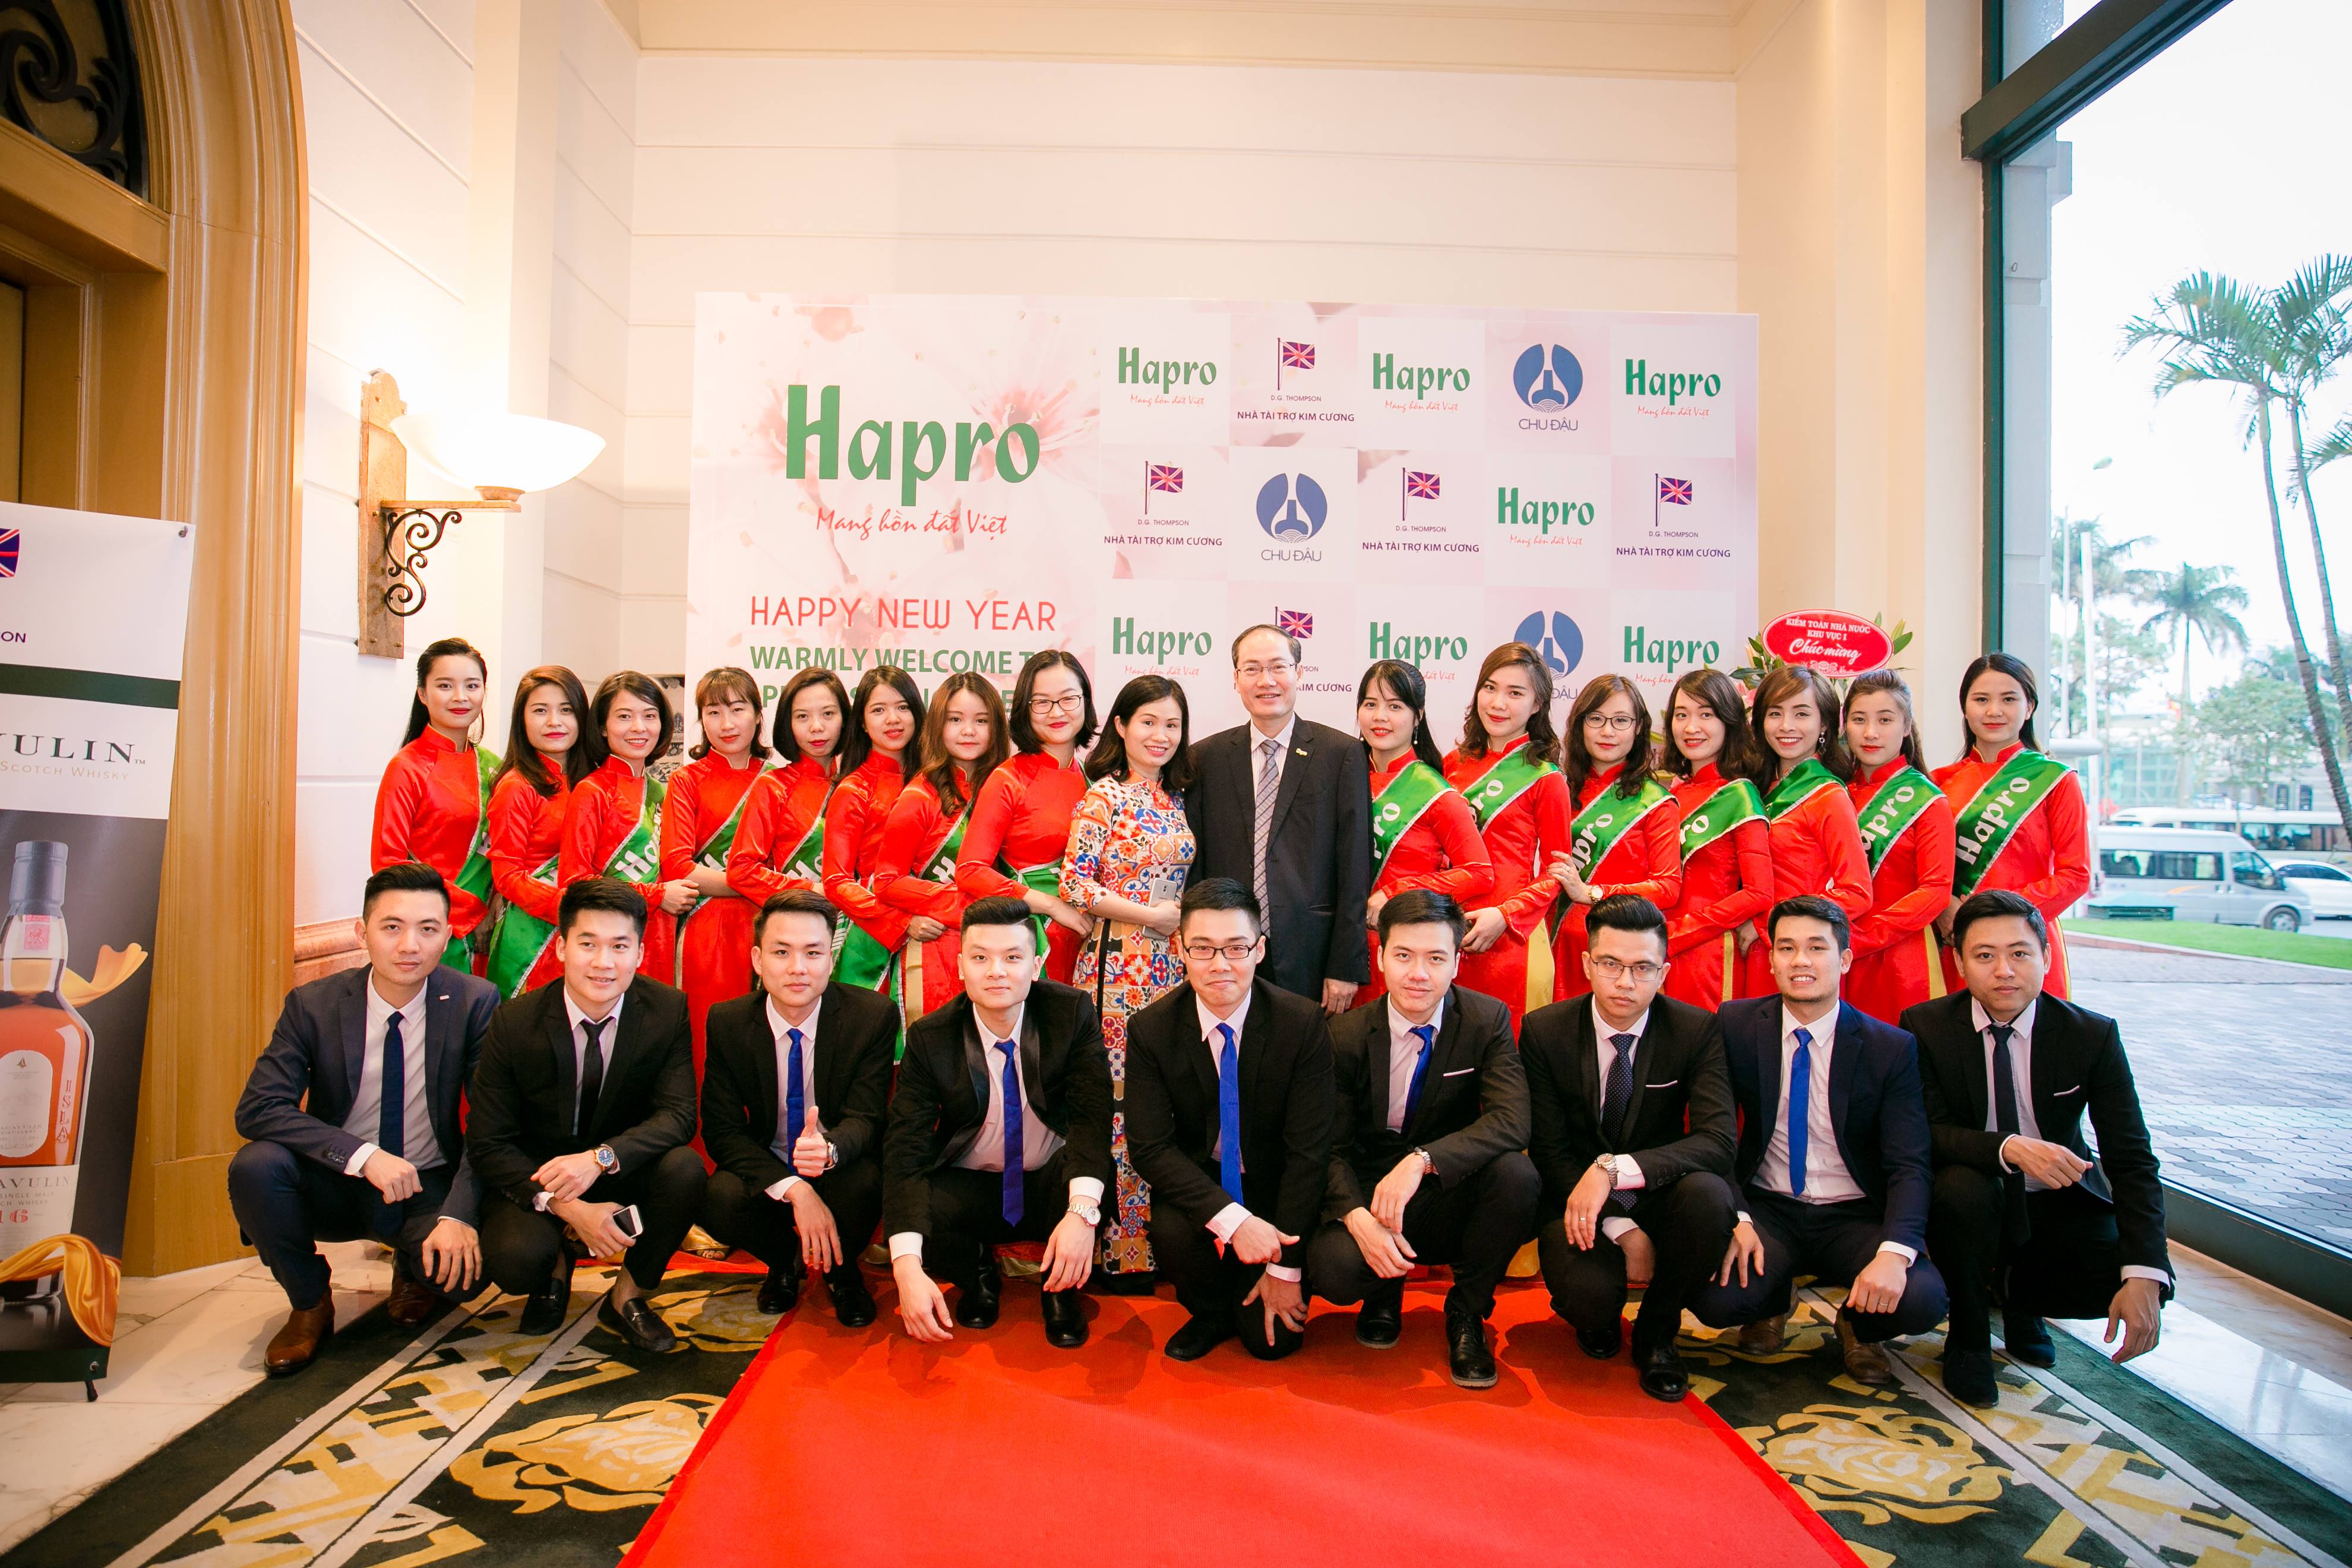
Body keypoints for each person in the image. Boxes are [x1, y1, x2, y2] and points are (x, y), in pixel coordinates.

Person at [229, 864, 500, 1375]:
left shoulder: (474, 1001)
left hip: (425, 1180)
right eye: (392, 927)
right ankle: (310, 1302)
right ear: (362, 932)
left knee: (466, 1277)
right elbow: (259, 1107)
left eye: (427, 929)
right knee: (256, 1167)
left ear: (447, 936)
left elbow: (492, 1121)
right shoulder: (314, 1004)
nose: (409, 946)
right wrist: (362, 1155)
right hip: (336, 1179)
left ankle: (413, 1268)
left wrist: (459, 1216)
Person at [1907, 889, 2170, 1407]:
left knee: (2114, 1273)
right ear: (1959, 963)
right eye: (1985, 955)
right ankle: (1969, 1333)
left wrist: (2145, 1272)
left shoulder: (2091, 1035)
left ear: (2047, 958)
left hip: (2055, 1194)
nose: (2004, 971)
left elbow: (2132, 1158)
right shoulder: (1925, 1026)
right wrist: (2008, 1148)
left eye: (2020, 953)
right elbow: (1925, 1131)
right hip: (1971, 1191)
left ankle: (2021, 1301)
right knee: (1962, 1190)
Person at [1687, 895, 1948, 1386]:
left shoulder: (1889, 1047)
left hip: (1854, 1214)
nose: (1800, 961)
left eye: (1816, 948)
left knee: (1920, 1299)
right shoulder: (1736, 1025)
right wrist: (1738, 1216)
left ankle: (1858, 1326)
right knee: (1714, 1300)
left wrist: (1895, 1253)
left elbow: (1909, 1164)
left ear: (1844, 959)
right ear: (1771, 960)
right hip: (1769, 1208)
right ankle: (1772, 1300)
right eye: (1786, 948)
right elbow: (1713, 1133)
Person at [465, 877, 709, 1353]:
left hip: (617, 1167)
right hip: (542, 1176)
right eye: (588, 944)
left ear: (640, 953)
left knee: (685, 1169)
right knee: (516, 1262)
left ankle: (626, 1297)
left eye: (620, 946)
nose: (603, 963)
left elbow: (679, 1115)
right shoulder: (514, 1022)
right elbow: (488, 1142)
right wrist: (568, 1206)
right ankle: (556, 1263)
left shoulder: (666, 1010)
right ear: (562, 948)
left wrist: (600, 1159)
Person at [1306, 890, 1535, 1389]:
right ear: (1381, 958)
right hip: (1370, 1189)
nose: (1418, 974)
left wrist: (1423, 1161)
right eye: (1404, 955)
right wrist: (1357, 1217)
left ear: (1457, 962)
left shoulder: (1486, 1020)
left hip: (1442, 1187)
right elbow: (1328, 1147)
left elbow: (1512, 1119)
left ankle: (1467, 1313)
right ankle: (1381, 1294)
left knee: (1517, 1177)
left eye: (1435, 958)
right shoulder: (1344, 1035)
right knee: (1335, 1271)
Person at [1522, 894, 1737, 1403]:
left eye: (1642, 968)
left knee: (1709, 1196)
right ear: (1586, 964)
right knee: (1590, 1299)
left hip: (1658, 1189)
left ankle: (1658, 1331)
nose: (1625, 982)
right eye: (1610, 964)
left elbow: (1717, 1140)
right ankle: (1597, 1318)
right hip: (1575, 1196)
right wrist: (1623, 1228)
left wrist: (1615, 1170)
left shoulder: (1695, 1030)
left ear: (1664, 973)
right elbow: (1548, 1149)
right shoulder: (1545, 1030)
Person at [882, 896, 1113, 1349]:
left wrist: (1082, 1214)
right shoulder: (931, 1037)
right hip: (974, 1184)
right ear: (961, 966)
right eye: (980, 958)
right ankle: (978, 1276)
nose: (996, 972)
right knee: (917, 1204)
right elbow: (905, 1146)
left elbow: (1092, 1118)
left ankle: (1060, 1292)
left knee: (1092, 1186)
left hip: (1048, 1179)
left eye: (1012, 958)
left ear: (1036, 965)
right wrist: (906, 1266)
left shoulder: (1070, 1013)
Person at [1124, 879, 1336, 1363]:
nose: (1220, 964)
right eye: (1203, 948)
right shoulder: (1152, 1029)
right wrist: (1235, 1222)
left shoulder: (1301, 1024)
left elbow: (1310, 1153)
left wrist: (1285, 1269)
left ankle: (1260, 1289)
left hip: (1277, 1191)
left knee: (1271, 1346)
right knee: (1170, 1228)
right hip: (1204, 1190)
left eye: (1236, 948)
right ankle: (1210, 1312)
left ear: (1259, 950)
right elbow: (1151, 1149)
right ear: (1180, 951)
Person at [698, 890, 895, 1326]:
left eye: (813, 953)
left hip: (836, 1164)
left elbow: (867, 1118)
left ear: (831, 959)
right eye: (782, 952)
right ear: (758, 958)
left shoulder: (871, 1016)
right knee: (717, 1197)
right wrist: (795, 1189)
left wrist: (830, 1149)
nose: (798, 968)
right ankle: (785, 1262)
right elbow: (722, 1130)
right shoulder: (728, 1021)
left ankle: (842, 1272)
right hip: (769, 1167)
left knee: (868, 1183)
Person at [1061, 675, 1200, 1286]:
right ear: (1120, 726)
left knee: (1161, 1101)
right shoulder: (1103, 798)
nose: (1160, 735)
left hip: (1171, 967)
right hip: (1117, 965)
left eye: (1172, 724)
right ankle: (1120, 1248)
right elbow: (1074, 884)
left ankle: (1167, 1240)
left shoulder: (1176, 799)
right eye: (1148, 722)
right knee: (1118, 1102)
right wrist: (1151, 916)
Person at [1183, 624, 1372, 1014]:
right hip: (1226, 955)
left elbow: (1355, 866)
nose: (1266, 681)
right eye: (1252, 669)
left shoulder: (1341, 754)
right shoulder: (1206, 758)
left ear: (1299, 672)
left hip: (1311, 954)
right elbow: (1197, 869)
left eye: (1278, 667)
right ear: (1236, 679)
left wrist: (1345, 964)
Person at [1931, 653, 2090, 999]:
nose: (1994, 711)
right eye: (1981, 700)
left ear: (2029, 707)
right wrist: (1944, 908)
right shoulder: (1937, 783)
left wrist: (1999, 917)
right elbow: (1924, 869)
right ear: (1965, 707)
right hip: (1956, 940)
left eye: (2009, 699)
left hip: (2025, 942)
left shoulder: (2055, 781)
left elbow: (2075, 875)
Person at [1443, 642, 1573, 1026]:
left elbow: (1557, 872)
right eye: (1490, 688)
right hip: (1445, 932)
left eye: (1515, 693)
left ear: (1537, 704)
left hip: (1510, 940)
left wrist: (1505, 915)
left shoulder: (1547, 779)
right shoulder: (1451, 766)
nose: (1498, 703)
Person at [872, 671, 1010, 1024]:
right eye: (955, 720)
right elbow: (887, 881)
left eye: (981, 721)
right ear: (937, 725)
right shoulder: (919, 796)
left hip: (1001, 947)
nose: (969, 731)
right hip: (937, 945)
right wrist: (965, 905)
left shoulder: (1006, 788)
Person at [1354, 659, 1493, 1005]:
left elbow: (1480, 873)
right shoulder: (1345, 776)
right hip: (1346, 947)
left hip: (1405, 950)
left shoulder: (1436, 794)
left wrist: (1397, 892)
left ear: (1418, 716)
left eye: (1395, 706)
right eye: (1370, 704)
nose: (1380, 717)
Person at [956, 651, 1098, 985]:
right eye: (1042, 702)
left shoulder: (1094, 780)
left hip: (1089, 946)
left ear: (1086, 702)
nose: (1057, 712)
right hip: (1030, 947)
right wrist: (1051, 905)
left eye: (1068, 699)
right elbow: (970, 871)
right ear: (1024, 708)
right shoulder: (1008, 779)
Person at [559, 672, 698, 994]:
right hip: (611, 942)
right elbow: (575, 881)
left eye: (650, 716)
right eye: (624, 717)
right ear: (602, 727)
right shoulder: (592, 791)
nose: (639, 727)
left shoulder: (661, 791)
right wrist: (658, 895)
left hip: (660, 936)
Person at [1547, 674, 1682, 1001]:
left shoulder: (1656, 802)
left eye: (1621, 721)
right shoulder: (1556, 787)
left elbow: (1668, 888)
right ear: (1580, 725)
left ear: (1639, 728)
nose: (1607, 731)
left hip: (1618, 955)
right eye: (1596, 719)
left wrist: (1591, 893)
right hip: (1553, 943)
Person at [1740, 666, 1871, 999]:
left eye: (1801, 714)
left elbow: (1857, 892)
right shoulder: (1757, 789)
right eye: (1775, 713)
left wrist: (1770, 923)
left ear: (1824, 724)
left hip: (1800, 956)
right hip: (1754, 950)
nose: (1786, 726)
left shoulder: (1828, 796)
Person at [660, 668, 773, 1052]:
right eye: (713, 712)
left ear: (758, 715)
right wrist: (755, 883)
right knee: (708, 1043)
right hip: (709, 928)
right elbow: (678, 867)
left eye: (738, 709)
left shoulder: (779, 780)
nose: (726, 724)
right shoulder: (687, 781)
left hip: (775, 926)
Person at [372, 637, 500, 972]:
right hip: (434, 930)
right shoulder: (407, 767)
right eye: (445, 686)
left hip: (493, 931)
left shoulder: (495, 768)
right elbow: (388, 861)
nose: (460, 697)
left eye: (472, 685)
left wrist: (495, 906)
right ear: (423, 694)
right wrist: (472, 911)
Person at [1842, 671, 1955, 1023]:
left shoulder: (1928, 801)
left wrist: (1862, 938)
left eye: (1885, 720)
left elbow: (1935, 891)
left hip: (1902, 957)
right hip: (1835, 953)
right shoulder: (1834, 792)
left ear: (1907, 726)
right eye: (1859, 720)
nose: (1870, 733)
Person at [1658, 669, 1773, 1010]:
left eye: (1706, 715)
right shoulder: (1675, 792)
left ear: (1729, 722)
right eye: (1681, 715)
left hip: (1708, 953)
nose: (1691, 727)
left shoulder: (1739, 795)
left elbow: (1759, 893)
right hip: (1657, 946)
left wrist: (1679, 932)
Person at [483, 666, 597, 998]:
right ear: (522, 720)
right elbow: (507, 875)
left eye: (566, 710)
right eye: (540, 711)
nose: (554, 722)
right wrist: (569, 906)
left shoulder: (593, 781)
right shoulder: (516, 786)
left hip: (588, 930)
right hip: (531, 933)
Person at [821, 665, 924, 998]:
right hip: (870, 934)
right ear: (863, 723)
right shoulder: (853, 790)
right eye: (879, 710)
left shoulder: (936, 782)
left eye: (902, 707)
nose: (893, 719)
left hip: (934, 925)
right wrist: (900, 921)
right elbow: (836, 881)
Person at [727, 668, 848, 908]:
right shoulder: (773, 786)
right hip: (796, 920)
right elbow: (741, 870)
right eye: (802, 716)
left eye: (828, 714)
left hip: (858, 924)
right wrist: (811, 890)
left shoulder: (858, 785)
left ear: (846, 719)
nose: (816, 727)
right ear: (787, 723)